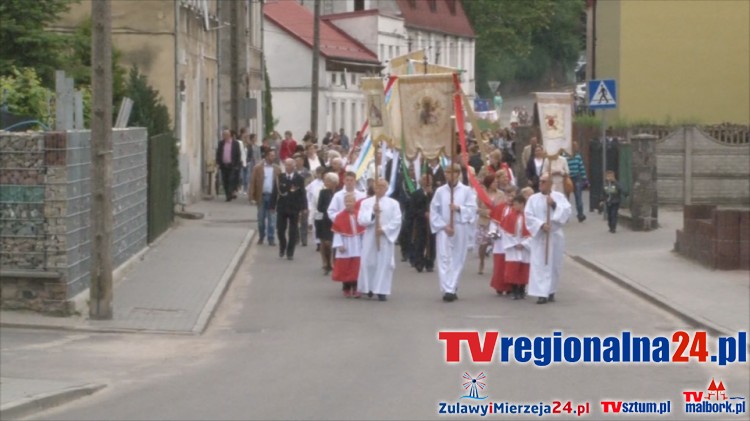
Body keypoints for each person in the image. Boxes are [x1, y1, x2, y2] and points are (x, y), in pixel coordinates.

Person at [430, 163, 478, 302]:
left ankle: (452, 286)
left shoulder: (466, 191)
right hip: (445, 228)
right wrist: (444, 226)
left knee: (457, 258)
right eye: (446, 172)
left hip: (459, 226)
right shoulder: (440, 191)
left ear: (457, 174)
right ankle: (447, 289)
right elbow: (434, 211)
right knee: (444, 258)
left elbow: (472, 209)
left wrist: (458, 209)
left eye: (451, 172)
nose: (448, 175)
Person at [524, 173, 571, 304]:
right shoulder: (533, 199)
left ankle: (551, 291)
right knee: (539, 264)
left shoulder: (559, 197)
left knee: (554, 265)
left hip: (554, 235)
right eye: (540, 181)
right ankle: (541, 293)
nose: (540, 184)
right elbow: (528, 215)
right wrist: (540, 225)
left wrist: (554, 205)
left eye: (544, 182)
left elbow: (566, 212)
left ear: (550, 183)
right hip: (540, 236)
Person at [357, 179, 403, 301]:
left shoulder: (393, 203)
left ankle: (382, 290)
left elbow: (397, 220)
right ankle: (369, 287)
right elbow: (361, 220)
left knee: (384, 263)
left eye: (383, 186)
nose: (380, 189)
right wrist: (373, 213)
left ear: (386, 188)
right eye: (377, 186)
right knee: (368, 261)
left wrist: (385, 229)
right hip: (370, 236)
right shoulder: (366, 203)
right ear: (374, 188)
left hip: (385, 238)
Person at [272, 158, 307, 260]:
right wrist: (272, 206)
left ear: (293, 166)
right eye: (285, 165)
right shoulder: (280, 177)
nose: (287, 167)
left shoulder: (299, 178)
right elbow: (275, 192)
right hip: (282, 207)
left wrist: (304, 207)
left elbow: (302, 194)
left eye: (289, 165)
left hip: (294, 208)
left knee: (292, 231)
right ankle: (283, 246)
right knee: (280, 230)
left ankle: (290, 251)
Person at [331, 193, 365, 298]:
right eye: (347, 202)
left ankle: (356, 287)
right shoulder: (340, 216)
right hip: (345, 243)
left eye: (351, 201)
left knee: (356, 266)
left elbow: (363, 231)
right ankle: (346, 287)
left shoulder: (359, 214)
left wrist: (364, 243)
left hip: (356, 243)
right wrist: (339, 244)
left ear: (355, 202)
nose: (349, 203)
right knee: (345, 267)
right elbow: (337, 231)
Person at [501, 194, 531, 299]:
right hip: (513, 246)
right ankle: (514, 289)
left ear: (522, 204)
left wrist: (524, 244)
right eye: (513, 204)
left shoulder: (529, 217)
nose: (514, 207)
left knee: (524, 267)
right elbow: (505, 232)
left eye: (516, 204)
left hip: (524, 245)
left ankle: (522, 289)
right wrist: (514, 244)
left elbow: (533, 232)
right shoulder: (509, 217)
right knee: (512, 268)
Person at [249, 148, 280, 246]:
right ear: (266, 156)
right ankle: (262, 236)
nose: (273, 157)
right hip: (261, 196)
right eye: (271, 155)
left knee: (272, 219)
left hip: (272, 197)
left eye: (274, 155)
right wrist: (251, 197)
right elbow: (253, 182)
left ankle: (271, 238)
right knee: (261, 219)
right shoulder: (258, 168)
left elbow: (280, 184)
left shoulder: (277, 169)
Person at [476, 173, 505, 275]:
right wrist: (486, 212)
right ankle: (481, 261)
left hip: (495, 223)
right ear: (488, 183)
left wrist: (495, 213)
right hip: (484, 222)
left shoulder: (501, 194)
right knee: (483, 244)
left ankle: (496, 266)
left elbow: (503, 207)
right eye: (493, 182)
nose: (496, 184)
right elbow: (477, 208)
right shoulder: (481, 194)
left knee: (495, 244)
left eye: (497, 182)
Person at [488, 186, 514, 295]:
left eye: (512, 196)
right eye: (508, 195)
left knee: (511, 265)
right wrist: (494, 234)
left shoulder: (517, 209)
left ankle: (510, 286)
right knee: (499, 265)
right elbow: (493, 224)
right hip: (500, 241)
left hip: (512, 241)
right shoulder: (499, 208)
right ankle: (499, 286)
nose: (510, 198)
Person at [410, 174, 435, 273]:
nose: (427, 181)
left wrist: (430, 194)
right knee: (420, 243)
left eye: (429, 179)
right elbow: (413, 209)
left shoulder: (436, 192)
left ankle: (430, 263)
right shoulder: (416, 194)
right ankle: (419, 262)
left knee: (431, 243)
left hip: (432, 222)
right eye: (424, 179)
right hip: (420, 222)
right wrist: (423, 213)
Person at [316, 172, 338, 275]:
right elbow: (319, 207)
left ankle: (333, 261)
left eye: (328, 181)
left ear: (334, 182)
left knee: (334, 242)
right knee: (325, 242)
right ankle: (326, 262)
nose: (326, 182)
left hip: (335, 220)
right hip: (324, 219)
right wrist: (329, 210)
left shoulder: (338, 192)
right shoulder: (323, 192)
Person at [215, 129, 242, 201]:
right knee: (225, 180)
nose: (225, 136)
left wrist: (237, 164)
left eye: (226, 135)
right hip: (223, 165)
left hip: (232, 165)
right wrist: (218, 162)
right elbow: (218, 153)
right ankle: (228, 194)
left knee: (231, 179)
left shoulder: (235, 143)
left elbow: (238, 154)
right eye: (224, 135)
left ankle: (230, 193)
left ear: (230, 135)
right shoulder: (221, 143)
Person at [567, 141, 588, 222]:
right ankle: (566, 215)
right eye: (573, 147)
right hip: (568, 178)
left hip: (577, 177)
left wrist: (584, 178)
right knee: (566, 198)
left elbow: (581, 167)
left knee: (578, 196)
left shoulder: (578, 157)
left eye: (575, 147)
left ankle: (580, 214)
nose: (575, 148)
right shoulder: (565, 157)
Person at [307, 166, 326, 251]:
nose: (320, 175)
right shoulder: (313, 184)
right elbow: (309, 195)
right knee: (316, 226)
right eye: (318, 173)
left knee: (324, 225)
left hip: (325, 207)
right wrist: (309, 206)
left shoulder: (326, 182)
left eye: (321, 173)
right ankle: (318, 242)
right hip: (316, 207)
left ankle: (324, 241)